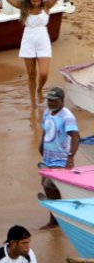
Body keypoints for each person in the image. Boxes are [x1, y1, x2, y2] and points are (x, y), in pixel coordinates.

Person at [7, 0, 60, 106]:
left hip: (43, 40)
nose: (36, 3)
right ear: (29, 0)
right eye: (34, 1)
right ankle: (32, 103)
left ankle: (40, 90)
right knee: (31, 74)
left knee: (43, 73)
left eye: (38, 0)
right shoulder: (24, 7)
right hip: (28, 41)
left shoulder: (46, 6)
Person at [40, 87, 80, 226]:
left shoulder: (67, 116)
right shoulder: (47, 112)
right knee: (48, 187)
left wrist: (70, 156)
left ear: (62, 101)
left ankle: (59, 219)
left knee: (50, 185)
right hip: (48, 157)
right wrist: (41, 145)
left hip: (61, 158)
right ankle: (56, 218)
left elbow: (75, 136)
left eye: (53, 100)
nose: (49, 103)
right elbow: (45, 130)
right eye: (48, 100)